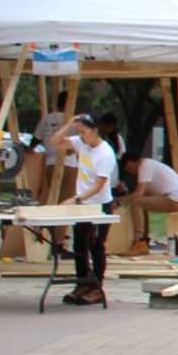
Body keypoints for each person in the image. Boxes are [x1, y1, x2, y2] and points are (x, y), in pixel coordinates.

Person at [58, 115, 117, 306]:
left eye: (84, 132)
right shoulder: (81, 143)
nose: (81, 136)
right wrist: (69, 124)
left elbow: (99, 185)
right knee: (79, 246)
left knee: (96, 245)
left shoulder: (105, 153)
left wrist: (75, 199)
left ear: (95, 131)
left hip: (99, 205)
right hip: (83, 205)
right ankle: (82, 282)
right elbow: (55, 142)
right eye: (79, 132)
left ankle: (97, 287)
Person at [113, 154, 178, 256]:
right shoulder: (149, 164)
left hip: (175, 200)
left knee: (136, 204)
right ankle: (144, 241)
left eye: (129, 170)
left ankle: (140, 241)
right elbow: (145, 194)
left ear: (129, 164)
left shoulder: (144, 166)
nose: (132, 174)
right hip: (177, 199)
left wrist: (118, 201)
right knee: (141, 203)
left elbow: (138, 194)